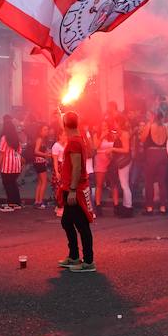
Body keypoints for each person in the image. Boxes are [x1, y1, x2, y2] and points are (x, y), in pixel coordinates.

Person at [56, 111, 96, 273]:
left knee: (82, 225)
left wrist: (72, 189)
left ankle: (88, 261)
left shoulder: (74, 142)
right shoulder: (77, 139)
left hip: (75, 189)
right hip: (71, 188)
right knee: (66, 221)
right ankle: (73, 256)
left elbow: (77, 167)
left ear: (65, 124)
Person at [140, 105, 168, 215]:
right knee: (162, 182)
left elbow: (142, 139)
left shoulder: (150, 126)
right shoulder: (166, 127)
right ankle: (163, 206)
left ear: (153, 116)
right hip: (163, 154)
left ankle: (150, 207)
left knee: (149, 182)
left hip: (151, 154)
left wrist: (147, 125)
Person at [109, 116, 134, 218]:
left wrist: (113, 149)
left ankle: (128, 207)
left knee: (124, 185)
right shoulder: (121, 134)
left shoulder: (124, 134)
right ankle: (126, 206)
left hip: (124, 161)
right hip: (122, 161)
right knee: (124, 184)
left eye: (115, 122)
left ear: (119, 123)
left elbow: (126, 150)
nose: (114, 125)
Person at [0, 115, 23, 212]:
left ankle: (11, 203)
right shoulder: (16, 138)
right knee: (13, 183)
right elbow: (19, 151)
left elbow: (1, 152)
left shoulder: (4, 138)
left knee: (7, 184)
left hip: (7, 164)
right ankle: (17, 202)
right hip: (16, 164)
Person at [51, 130, 67, 217]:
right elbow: (55, 160)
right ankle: (60, 207)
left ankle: (60, 206)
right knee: (59, 188)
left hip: (66, 167)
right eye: (64, 135)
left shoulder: (66, 144)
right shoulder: (56, 145)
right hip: (60, 167)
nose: (65, 137)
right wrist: (57, 172)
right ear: (59, 136)